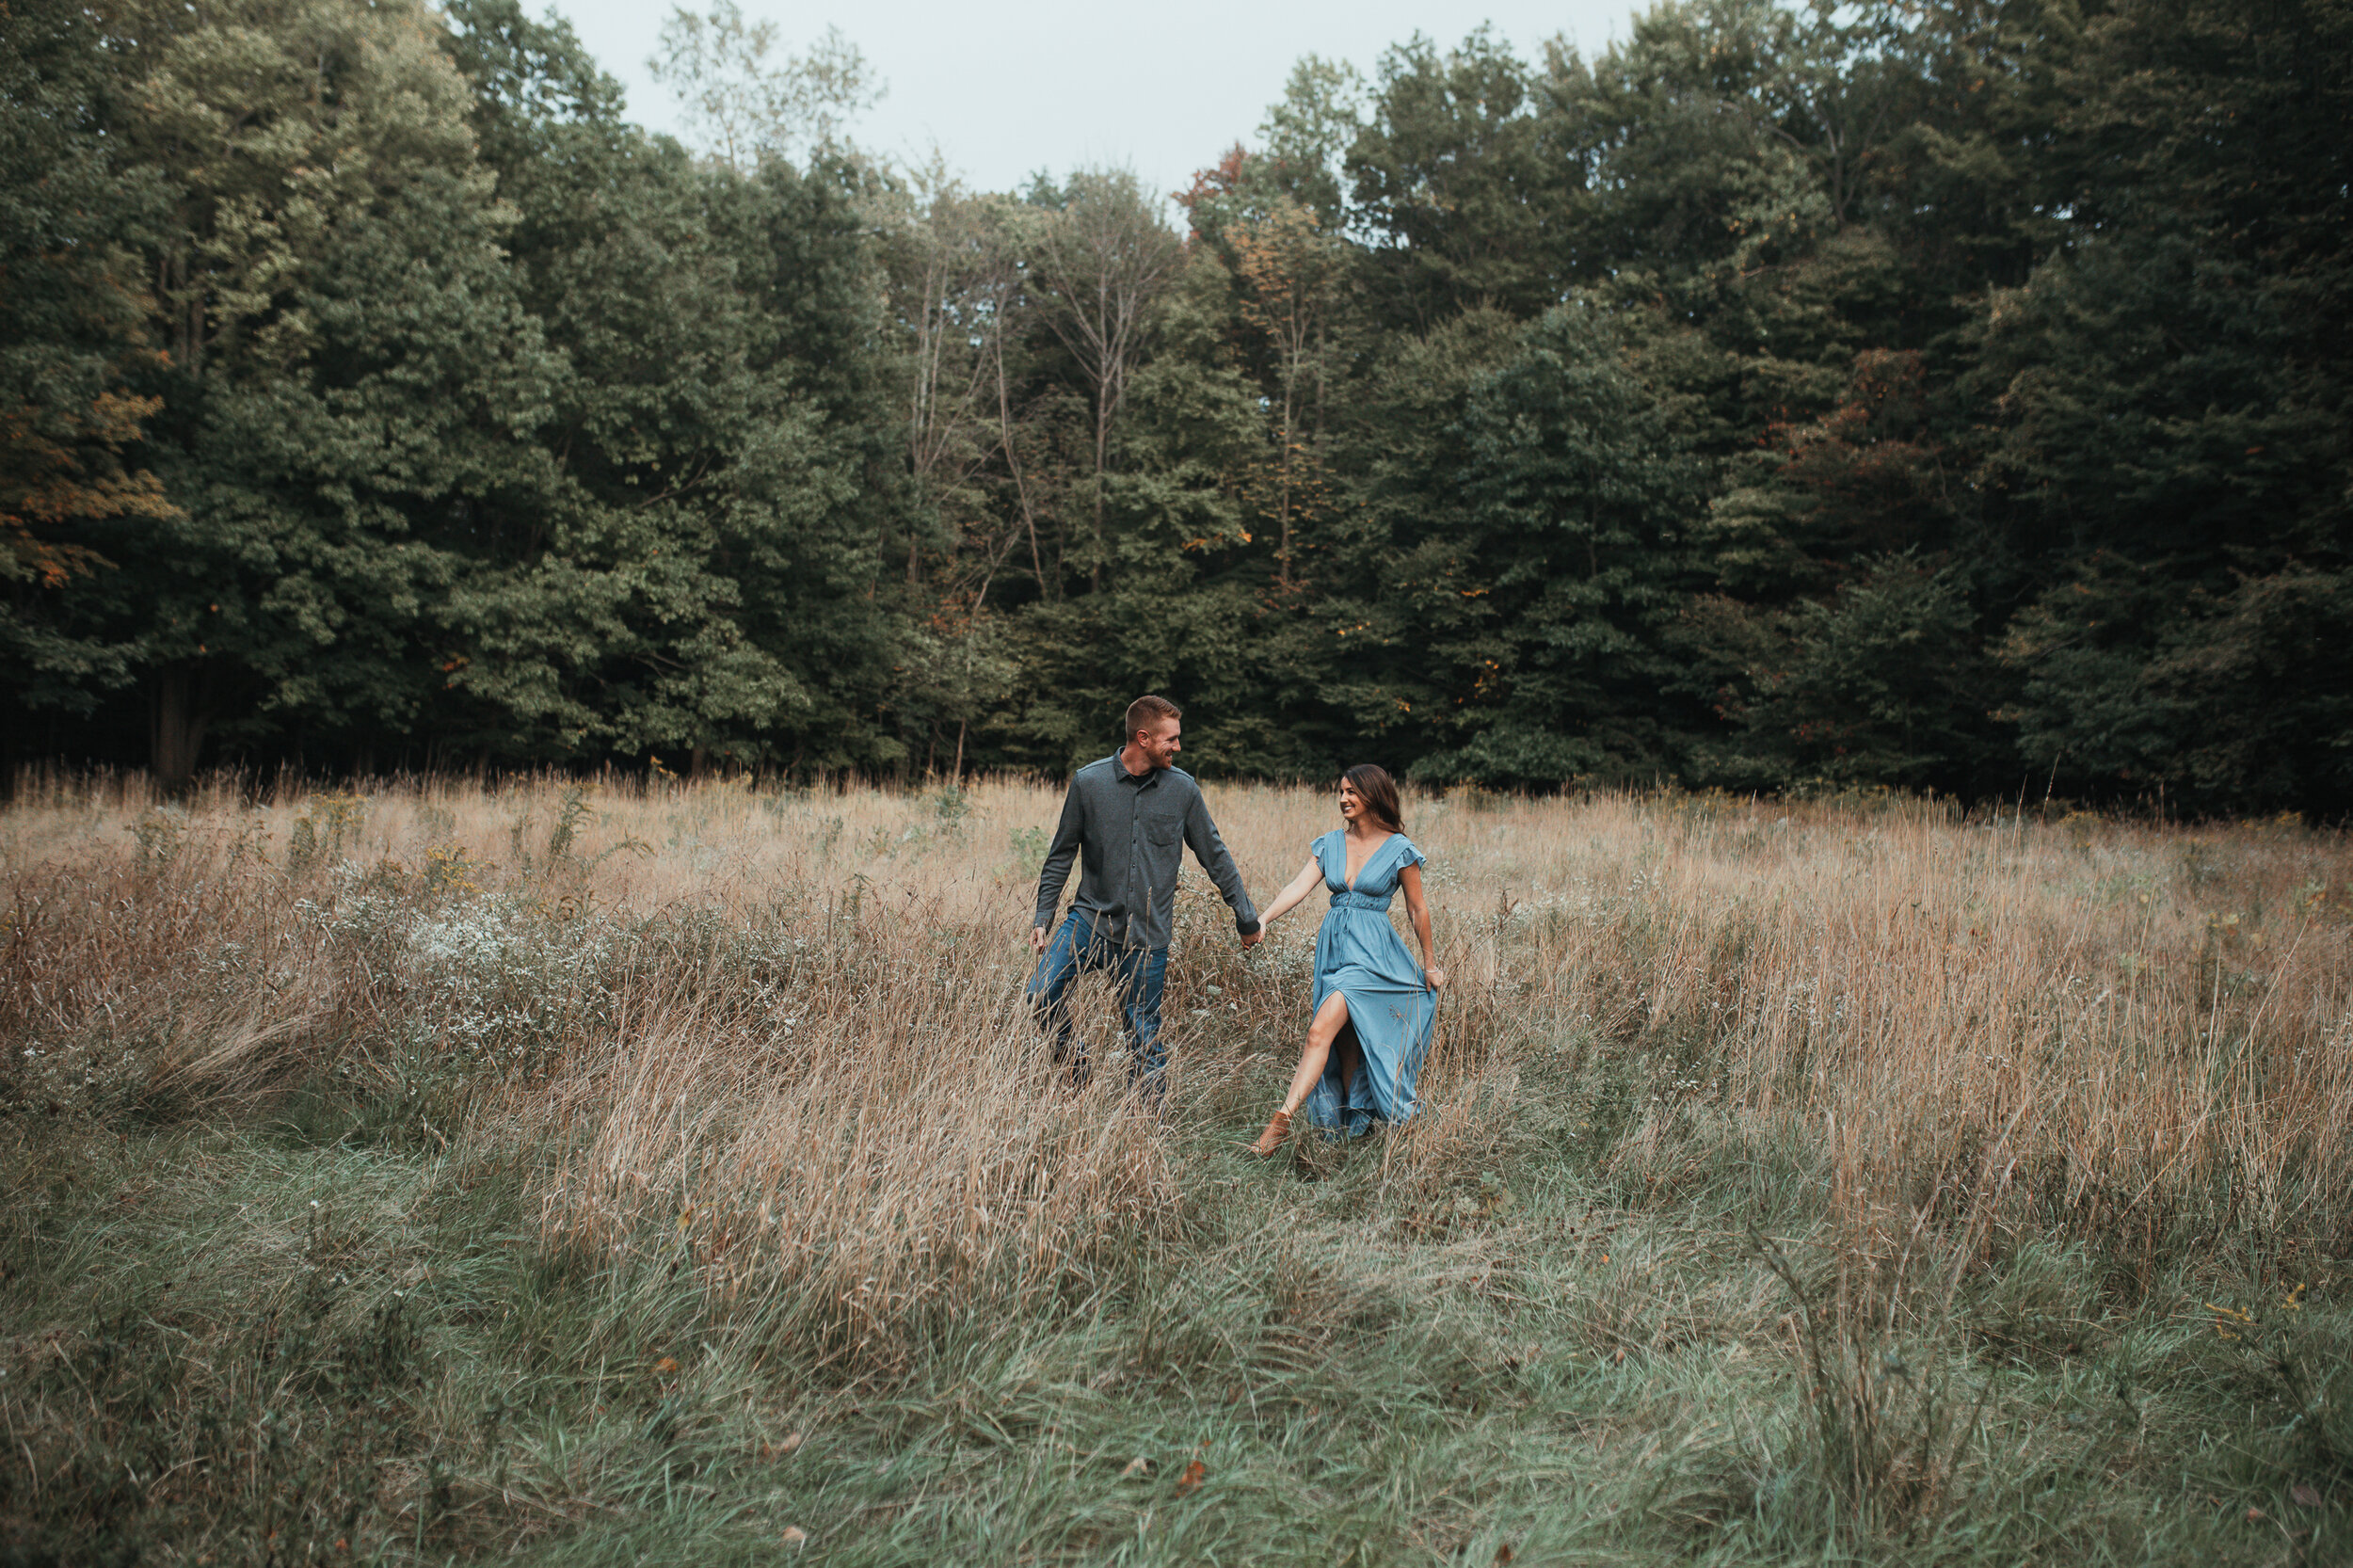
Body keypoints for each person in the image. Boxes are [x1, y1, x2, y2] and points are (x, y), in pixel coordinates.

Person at [1029, 695, 1263, 1097]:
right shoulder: (1089, 783)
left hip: (1148, 937)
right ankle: (1076, 1068)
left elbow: (1215, 855)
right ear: (1143, 738)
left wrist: (1246, 917)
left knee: (1143, 1036)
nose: (1177, 747)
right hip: (1089, 921)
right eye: (1170, 739)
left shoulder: (1183, 790)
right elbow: (1061, 853)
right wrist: (1042, 917)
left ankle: (1147, 1131)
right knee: (1040, 994)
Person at [1246, 764, 1444, 1154]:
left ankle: (1279, 1125)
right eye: (1340, 791)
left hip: (1372, 958)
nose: (1343, 799)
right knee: (1345, 1042)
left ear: (1373, 795)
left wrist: (1431, 964)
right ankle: (1352, 1129)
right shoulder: (1331, 843)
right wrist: (1263, 919)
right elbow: (1299, 885)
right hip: (1334, 952)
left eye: (1352, 792)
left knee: (1320, 1031)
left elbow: (1418, 910)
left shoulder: (1400, 850)